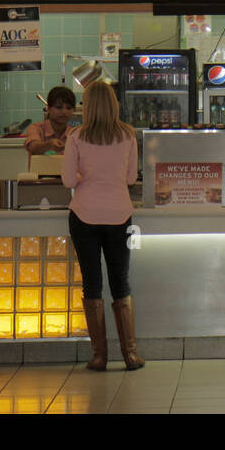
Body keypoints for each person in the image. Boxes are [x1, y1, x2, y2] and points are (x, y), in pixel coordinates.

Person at [61, 81, 144, 371]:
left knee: (92, 283)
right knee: (120, 281)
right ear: (113, 104)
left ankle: (99, 356)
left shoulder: (76, 136)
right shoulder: (128, 135)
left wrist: (88, 177)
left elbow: (68, 181)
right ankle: (130, 354)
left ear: (88, 106)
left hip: (83, 215)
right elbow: (131, 178)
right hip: (120, 215)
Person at [25, 85, 76, 158]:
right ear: (48, 108)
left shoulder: (74, 134)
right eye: (59, 107)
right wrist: (49, 145)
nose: (64, 112)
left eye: (69, 108)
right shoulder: (36, 128)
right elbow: (33, 147)